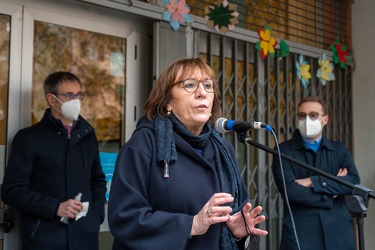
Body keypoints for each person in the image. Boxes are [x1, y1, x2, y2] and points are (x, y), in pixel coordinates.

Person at [108, 57, 268, 250]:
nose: (202, 93)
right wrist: (191, 225)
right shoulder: (143, 145)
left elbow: (237, 212)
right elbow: (125, 218)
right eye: (189, 85)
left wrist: (238, 232)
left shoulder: (224, 150)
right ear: (167, 102)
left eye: (208, 86)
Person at [1, 72, 107, 249]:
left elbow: (97, 181)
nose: (76, 101)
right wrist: (55, 207)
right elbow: (12, 191)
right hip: (45, 240)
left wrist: (95, 217)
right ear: (51, 99)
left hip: (84, 239)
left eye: (79, 95)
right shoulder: (29, 139)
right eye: (69, 95)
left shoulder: (88, 135)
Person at [272, 95, 360, 250]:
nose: (307, 120)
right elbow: (290, 190)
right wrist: (332, 193)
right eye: (302, 115)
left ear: (325, 119)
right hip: (301, 234)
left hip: (338, 233)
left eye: (313, 115)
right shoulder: (283, 151)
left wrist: (312, 181)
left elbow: (353, 182)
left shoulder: (339, 150)